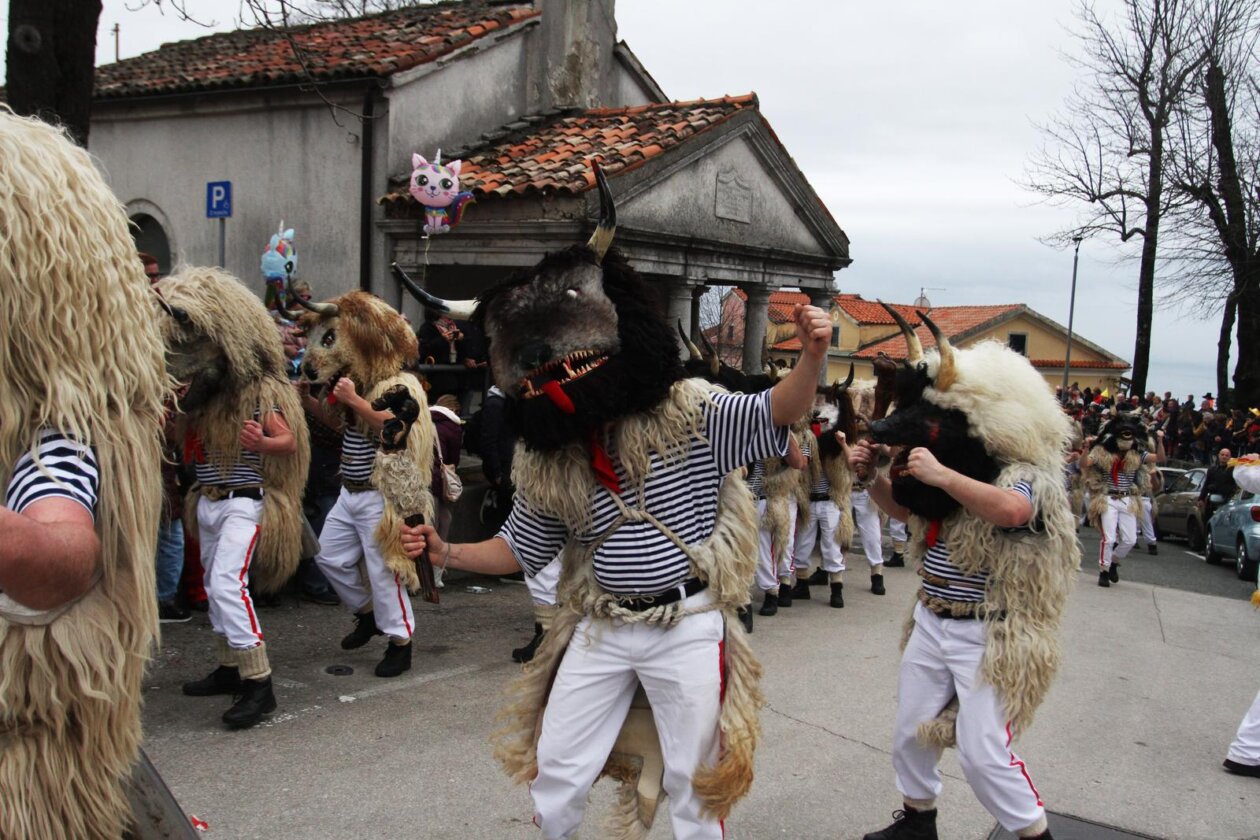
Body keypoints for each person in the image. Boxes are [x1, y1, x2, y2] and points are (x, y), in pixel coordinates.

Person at [400, 177, 831, 838]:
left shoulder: (694, 413)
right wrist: (447, 550)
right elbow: (521, 547)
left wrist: (813, 354)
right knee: (556, 774)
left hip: (685, 626)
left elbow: (779, 410)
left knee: (694, 790)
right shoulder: (552, 454)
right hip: (600, 627)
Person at [0, 107, 168, 839]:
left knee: (229, 590)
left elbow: (64, 557)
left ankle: (251, 676)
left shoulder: (52, 436)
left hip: (24, 762)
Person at [849, 310, 1076, 840]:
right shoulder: (943, 479)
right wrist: (871, 478)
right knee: (909, 732)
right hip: (933, 617)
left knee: (983, 752)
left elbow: (1012, 512)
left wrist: (943, 473)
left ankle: (1035, 835)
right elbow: (908, 514)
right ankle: (917, 821)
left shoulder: (1026, 474)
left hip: (992, 631)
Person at [1200, 448, 1237, 522]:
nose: (1224, 457)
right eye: (1222, 455)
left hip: (1227, 500)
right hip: (1212, 502)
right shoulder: (1212, 469)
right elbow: (1206, 484)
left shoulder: (1233, 470)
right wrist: (1201, 498)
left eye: (1227, 455)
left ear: (1230, 457)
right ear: (1218, 456)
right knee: (1208, 521)